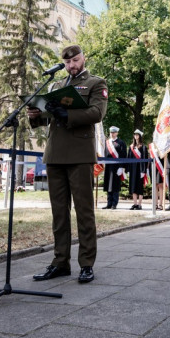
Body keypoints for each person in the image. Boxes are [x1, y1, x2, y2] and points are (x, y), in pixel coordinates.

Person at [27, 44, 108, 284]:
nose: (71, 66)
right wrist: (35, 116)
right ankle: (60, 262)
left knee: (84, 212)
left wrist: (68, 115)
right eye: (67, 62)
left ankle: (86, 264)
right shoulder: (56, 86)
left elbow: (97, 113)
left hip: (80, 154)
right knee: (58, 213)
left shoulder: (96, 83)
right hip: (54, 155)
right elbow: (45, 119)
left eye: (75, 61)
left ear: (83, 58)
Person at [102, 126, 127, 210]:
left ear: (117, 133)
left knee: (115, 185)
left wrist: (121, 167)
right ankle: (109, 203)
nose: (112, 134)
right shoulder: (107, 142)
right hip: (108, 166)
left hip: (117, 166)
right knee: (108, 184)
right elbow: (104, 154)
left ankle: (114, 204)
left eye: (114, 132)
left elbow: (123, 155)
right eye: (111, 132)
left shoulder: (121, 143)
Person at [127, 130, 147, 210]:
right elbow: (128, 159)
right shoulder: (131, 147)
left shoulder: (143, 147)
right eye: (135, 135)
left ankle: (139, 204)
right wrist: (128, 169)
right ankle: (135, 203)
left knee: (139, 187)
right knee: (133, 187)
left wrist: (143, 170)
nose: (136, 136)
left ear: (140, 136)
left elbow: (145, 159)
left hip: (140, 169)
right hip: (132, 169)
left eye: (137, 135)